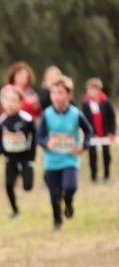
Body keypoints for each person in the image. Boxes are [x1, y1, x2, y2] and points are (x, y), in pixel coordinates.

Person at [37, 76, 93, 229]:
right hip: (52, 161)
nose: (57, 97)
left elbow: (89, 132)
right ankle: (57, 220)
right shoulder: (47, 114)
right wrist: (46, 143)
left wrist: (84, 145)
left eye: (61, 93)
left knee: (70, 187)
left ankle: (68, 202)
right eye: (53, 93)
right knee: (54, 194)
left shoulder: (76, 114)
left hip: (70, 159)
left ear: (69, 95)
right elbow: (39, 137)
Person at [0, 86, 36, 218]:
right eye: (7, 100)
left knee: (27, 186)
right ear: (3, 102)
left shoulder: (27, 120)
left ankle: (24, 174)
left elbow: (34, 139)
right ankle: (15, 211)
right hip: (10, 158)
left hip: (25, 157)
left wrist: (31, 159)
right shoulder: (1, 122)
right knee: (8, 184)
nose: (10, 104)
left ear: (20, 102)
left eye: (13, 100)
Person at [81, 77, 116, 183]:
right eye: (89, 89)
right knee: (92, 156)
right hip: (92, 135)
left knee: (106, 155)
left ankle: (106, 176)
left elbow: (111, 118)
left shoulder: (106, 102)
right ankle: (94, 177)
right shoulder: (86, 104)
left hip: (104, 134)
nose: (91, 92)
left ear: (98, 89)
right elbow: (84, 120)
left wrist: (111, 132)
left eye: (93, 89)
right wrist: (89, 133)